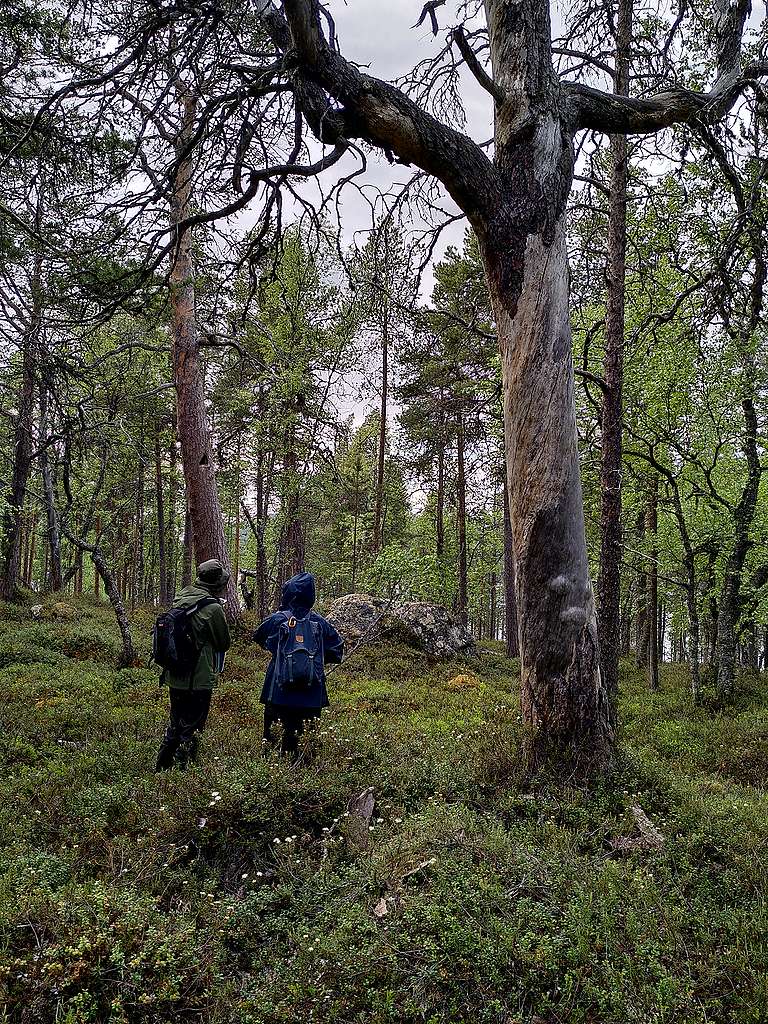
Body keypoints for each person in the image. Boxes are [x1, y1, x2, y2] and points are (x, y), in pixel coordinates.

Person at [253, 571, 343, 755]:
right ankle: (304, 773)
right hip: (312, 693)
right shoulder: (319, 622)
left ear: (288, 593)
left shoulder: (277, 619)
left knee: (274, 744)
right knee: (306, 747)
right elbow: (337, 649)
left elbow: (258, 636)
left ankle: (274, 776)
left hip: (278, 691)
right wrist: (313, 661)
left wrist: (278, 651)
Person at [155, 559, 232, 770]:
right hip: (198, 678)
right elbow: (224, 642)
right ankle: (184, 772)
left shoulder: (182, 596)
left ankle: (162, 766)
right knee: (193, 726)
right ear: (216, 584)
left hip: (174, 674)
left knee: (175, 722)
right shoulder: (213, 608)